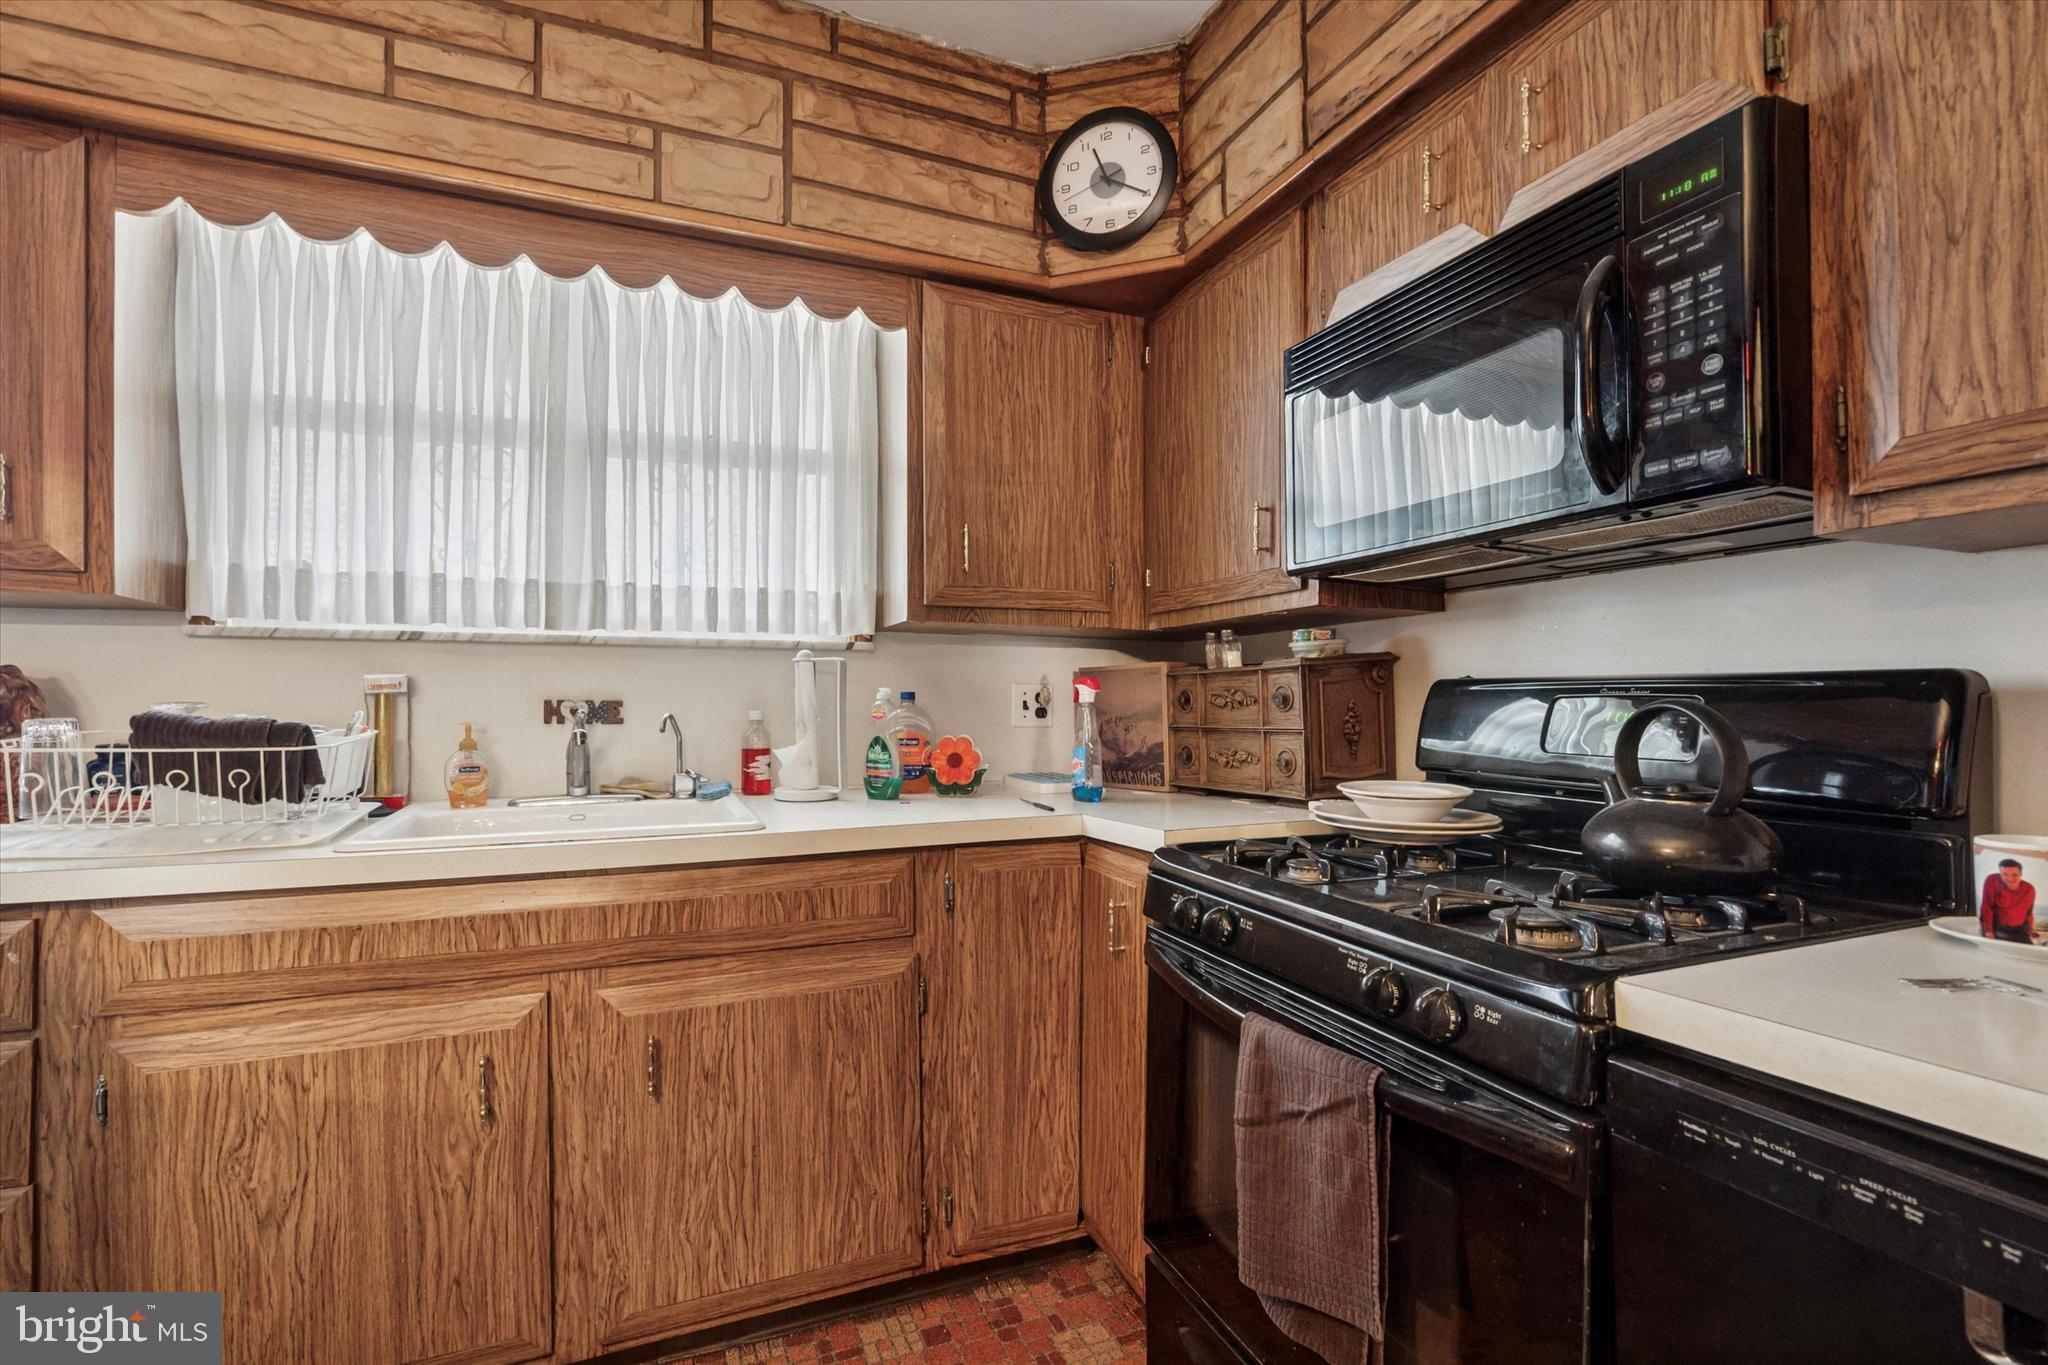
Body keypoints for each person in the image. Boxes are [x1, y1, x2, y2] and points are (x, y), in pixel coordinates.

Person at [1979, 858, 2038, 944]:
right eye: (2005, 874)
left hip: (2020, 929)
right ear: (2000, 873)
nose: (2010, 879)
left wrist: (2031, 930)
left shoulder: (2029, 889)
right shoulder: (1992, 880)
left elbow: (2028, 912)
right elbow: (1987, 907)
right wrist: (1988, 931)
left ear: (2021, 874)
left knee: (2030, 951)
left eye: (2014, 875)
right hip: (1997, 927)